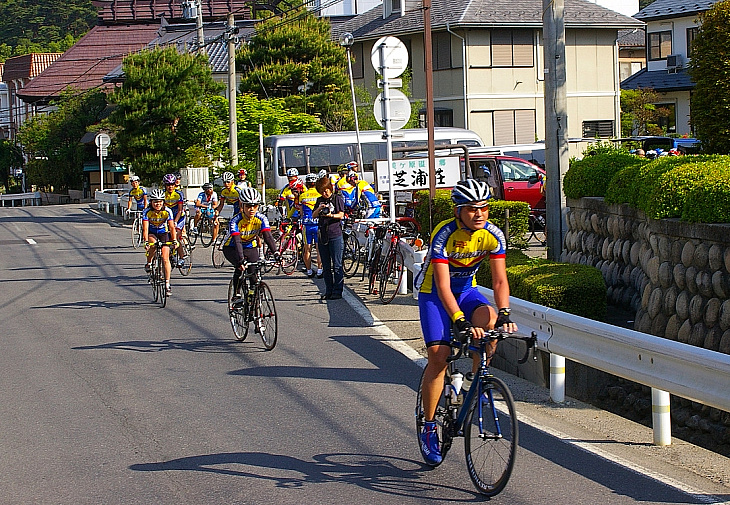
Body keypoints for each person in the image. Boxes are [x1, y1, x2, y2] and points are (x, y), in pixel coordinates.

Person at [414, 179, 517, 465]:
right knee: (439, 355)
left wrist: (505, 311)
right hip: (434, 293)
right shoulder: (444, 234)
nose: (480, 214)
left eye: (484, 208)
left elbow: (499, 280)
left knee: (491, 321)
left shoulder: (493, 235)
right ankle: (430, 427)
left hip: (467, 291)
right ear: (459, 211)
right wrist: (459, 321)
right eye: (472, 209)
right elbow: (443, 286)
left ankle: (476, 382)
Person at [222, 187, 279, 301]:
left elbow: (268, 236)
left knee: (254, 273)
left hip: (249, 246)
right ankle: (237, 294)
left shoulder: (261, 218)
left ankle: (252, 300)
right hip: (232, 247)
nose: (252, 209)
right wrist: (241, 259)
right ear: (242, 205)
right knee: (240, 267)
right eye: (248, 206)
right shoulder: (236, 220)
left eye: (255, 206)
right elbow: (237, 241)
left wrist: (276, 253)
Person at [313, 177, 346, 300]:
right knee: (326, 266)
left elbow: (341, 214)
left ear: (330, 189)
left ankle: (338, 291)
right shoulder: (319, 200)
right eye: (322, 191)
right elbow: (313, 215)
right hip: (323, 235)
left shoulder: (337, 199)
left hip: (335, 234)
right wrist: (319, 209)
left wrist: (331, 215)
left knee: (337, 265)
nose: (324, 193)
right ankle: (328, 290)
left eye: (326, 191)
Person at [142, 189, 177, 296]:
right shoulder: (147, 212)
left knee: (165, 258)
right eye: (155, 202)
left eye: (160, 201)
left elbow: (171, 227)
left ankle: (167, 284)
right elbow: (145, 229)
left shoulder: (167, 211)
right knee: (153, 245)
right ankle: (149, 263)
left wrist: (174, 240)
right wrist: (146, 241)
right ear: (151, 202)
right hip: (152, 232)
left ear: (163, 202)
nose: (158, 204)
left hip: (163, 233)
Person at [300, 173, 323, 278]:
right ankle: (319, 270)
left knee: (307, 249)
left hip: (307, 224)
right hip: (317, 224)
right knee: (318, 249)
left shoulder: (303, 195)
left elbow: (301, 211)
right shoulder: (319, 195)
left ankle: (309, 271)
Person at [162, 173, 187, 268]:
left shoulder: (178, 194)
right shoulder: (163, 195)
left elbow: (180, 210)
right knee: (165, 237)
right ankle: (170, 255)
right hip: (168, 218)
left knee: (175, 236)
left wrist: (175, 222)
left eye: (172, 184)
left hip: (179, 217)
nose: (170, 187)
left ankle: (182, 257)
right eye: (168, 185)